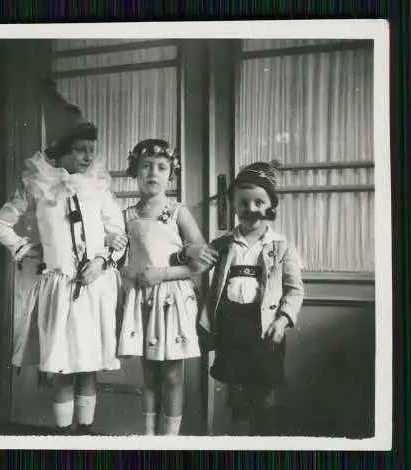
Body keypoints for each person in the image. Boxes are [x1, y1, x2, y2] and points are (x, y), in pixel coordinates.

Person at [0, 81, 128, 435]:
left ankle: (86, 432)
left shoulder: (98, 188)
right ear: (60, 151)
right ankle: (63, 436)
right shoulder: (37, 185)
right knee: (62, 365)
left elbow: (119, 235)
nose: (87, 156)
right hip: (59, 289)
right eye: (80, 149)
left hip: (94, 286)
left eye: (91, 150)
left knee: (88, 365)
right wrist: (24, 246)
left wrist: (102, 261)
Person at [195, 161, 304, 435]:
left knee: (264, 397)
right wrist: (189, 252)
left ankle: (263, 444)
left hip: (265, 330)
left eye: (259, 202)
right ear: (233, 205)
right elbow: (195, 266)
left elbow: (294, 290)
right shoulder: (222, 245)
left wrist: (282, 320)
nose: (251, 209)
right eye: (244, 203)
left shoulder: (280, 247)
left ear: (271, 206)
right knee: (237, 396)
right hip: (232, 328)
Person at [116, 139, 217, 435]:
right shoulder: (127, 216)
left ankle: (168, 442)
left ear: (171, 173)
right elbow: (119, 259)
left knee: (172, 375)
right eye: (146, 167)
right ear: (135, 170)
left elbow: (203, 260)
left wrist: (165, 273)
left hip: (172, 299)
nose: (153, 173)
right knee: (148, 375)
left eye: (161, 168)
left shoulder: (178, 212)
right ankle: (149, 439)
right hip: (142, 299)